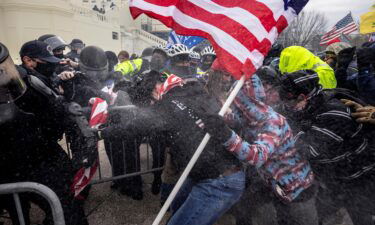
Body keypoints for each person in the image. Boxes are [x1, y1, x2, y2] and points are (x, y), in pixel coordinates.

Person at [100, 70, 246, 225]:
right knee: (177, 205)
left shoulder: (168, 105)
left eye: (152, 97)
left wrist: (102, 134)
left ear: (158, 88)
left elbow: (134, 127)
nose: (152, 102)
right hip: (207, 171)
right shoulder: (194, 93)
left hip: (219, 181)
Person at [204, 60, 317, 225]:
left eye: (239, 104)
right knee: (252, 209)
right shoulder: (251, 118)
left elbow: (257, 156)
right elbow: (237, 120)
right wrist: (216, 117)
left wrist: (225, 134)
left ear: (247, 103)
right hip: (275, 185)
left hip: (299, 191)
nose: (236, 108)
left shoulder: (272, 121)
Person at [1, 41, 95, 225]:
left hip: (39, 157)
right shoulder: (28, 82)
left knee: (66, 209)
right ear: (28, 61)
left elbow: (52, 113)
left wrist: (67, 106)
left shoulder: (29, 83)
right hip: (21, 163)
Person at [277, 70, 375, 225]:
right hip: (336, 180)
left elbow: (308, 149)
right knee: (323, 215)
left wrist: (290, 130)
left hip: (359, 179)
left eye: (289, 103)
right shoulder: (312, 106)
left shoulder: (334, 112)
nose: (287, 108)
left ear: (303, 97)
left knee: (360, 217)